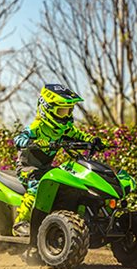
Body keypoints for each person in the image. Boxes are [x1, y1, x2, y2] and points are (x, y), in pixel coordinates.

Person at [12, 84, 104, 236]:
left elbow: (79, 135)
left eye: (69, 110)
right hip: (28, 169)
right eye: (62, 111)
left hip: (46, 168)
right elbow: (18, 138)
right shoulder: (38, 127)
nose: (66, 115)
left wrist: (93, 140)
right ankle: (21, 223)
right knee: (36, 185)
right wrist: (29, 142)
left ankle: (70, 220)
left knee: (70, 184)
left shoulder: (64, 128)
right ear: (47, 109)